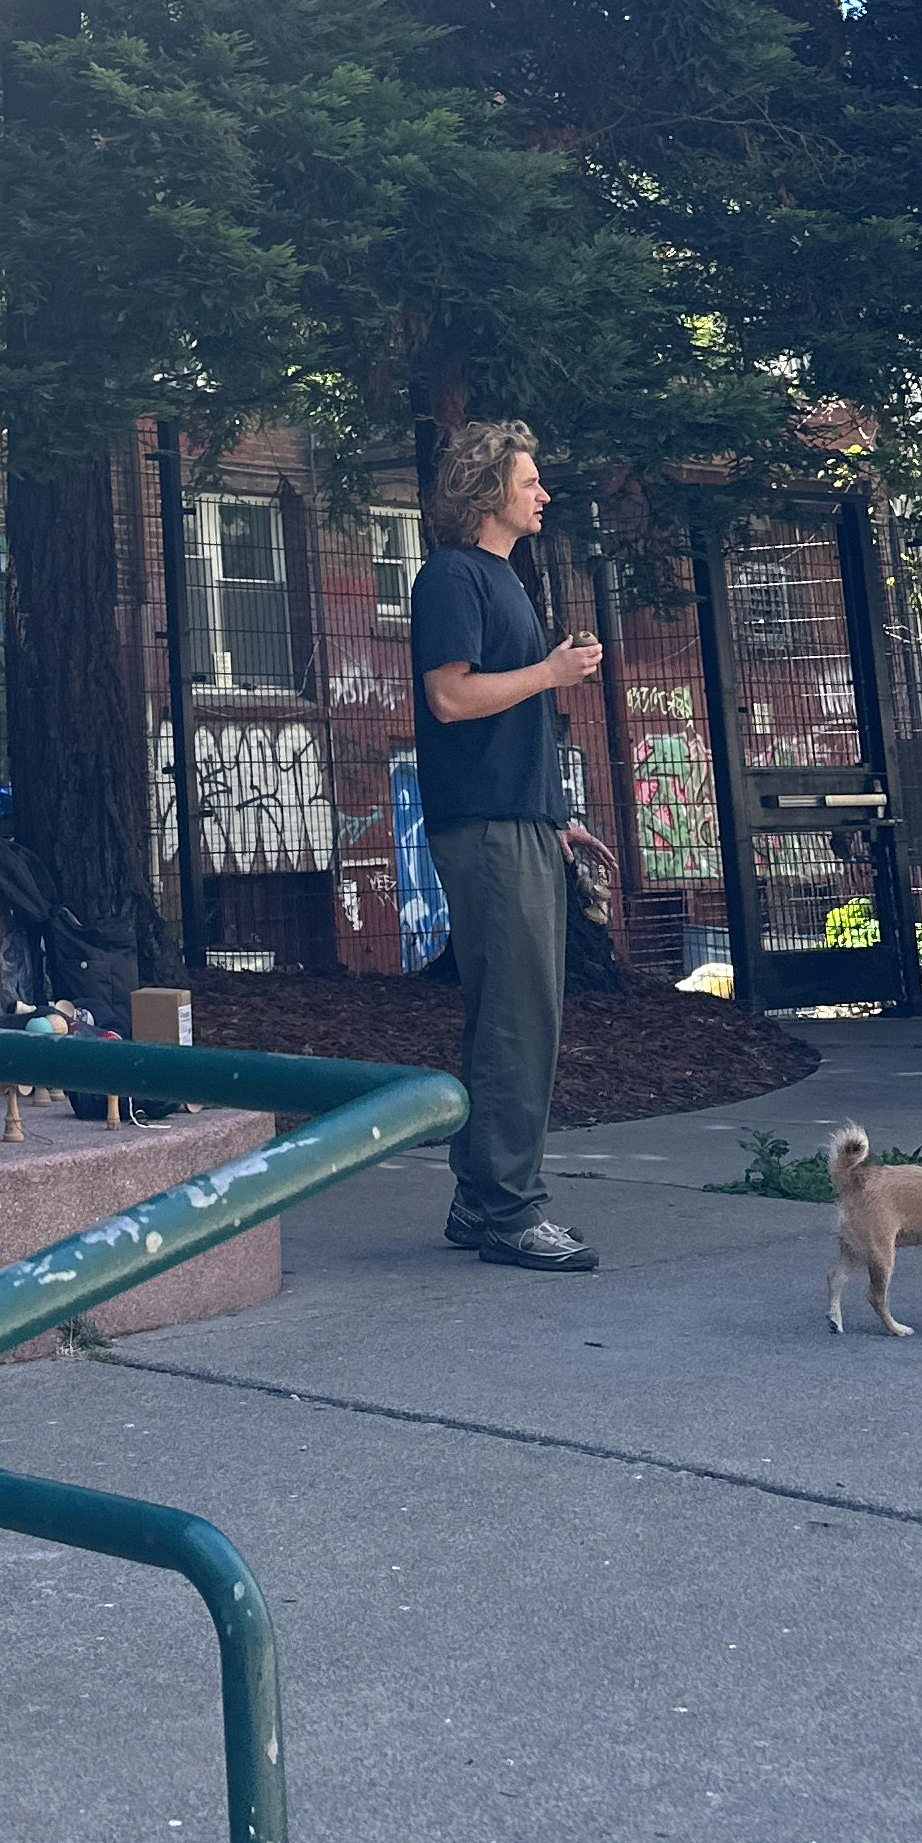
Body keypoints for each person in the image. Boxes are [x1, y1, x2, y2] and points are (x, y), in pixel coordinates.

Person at [407, 418, 616, 1268]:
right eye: (530, 481)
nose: (544, 494)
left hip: (518, 825)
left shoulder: (503, 580)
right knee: (519, 1022)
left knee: (511, 1016)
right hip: (486, 833)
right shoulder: (452, 577)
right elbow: (451, 700)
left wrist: (553, 815)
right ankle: (508, 1210)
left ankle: (478, 1200)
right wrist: (552, 672)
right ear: (489, 489)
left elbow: (507, 727)